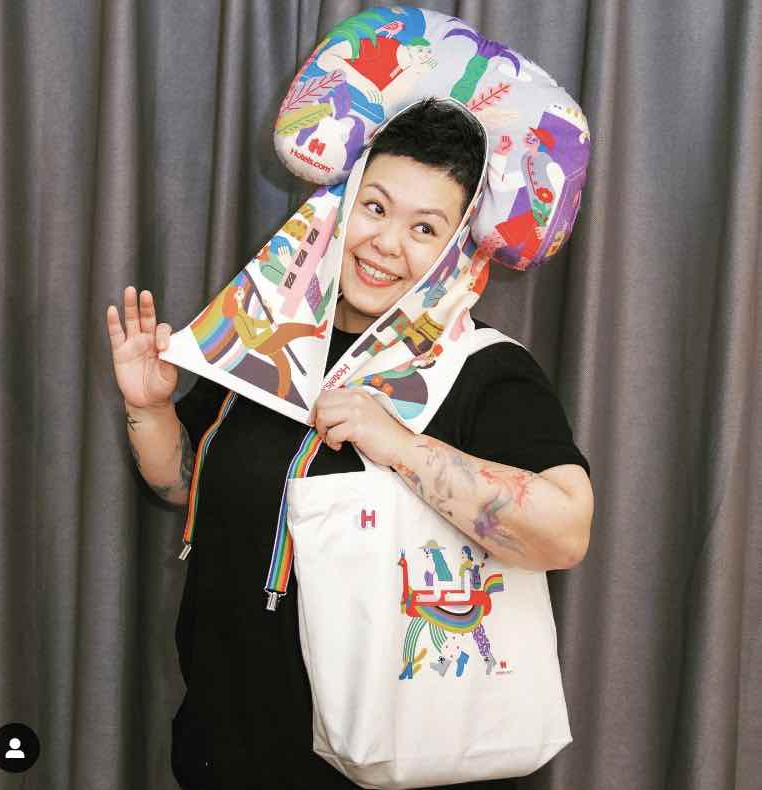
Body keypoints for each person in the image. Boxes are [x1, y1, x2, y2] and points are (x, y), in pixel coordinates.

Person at [106, 99, 593, 789]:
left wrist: (397, 444)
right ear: (339, 207)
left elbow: (566, 531)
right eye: (375, 207)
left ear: (458, 248)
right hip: (227, 747)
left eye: (424, 227)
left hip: (391, 768)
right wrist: (149, 407)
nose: (386, 242)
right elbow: (184, 484)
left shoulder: (483, 368)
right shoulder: (272, 337)